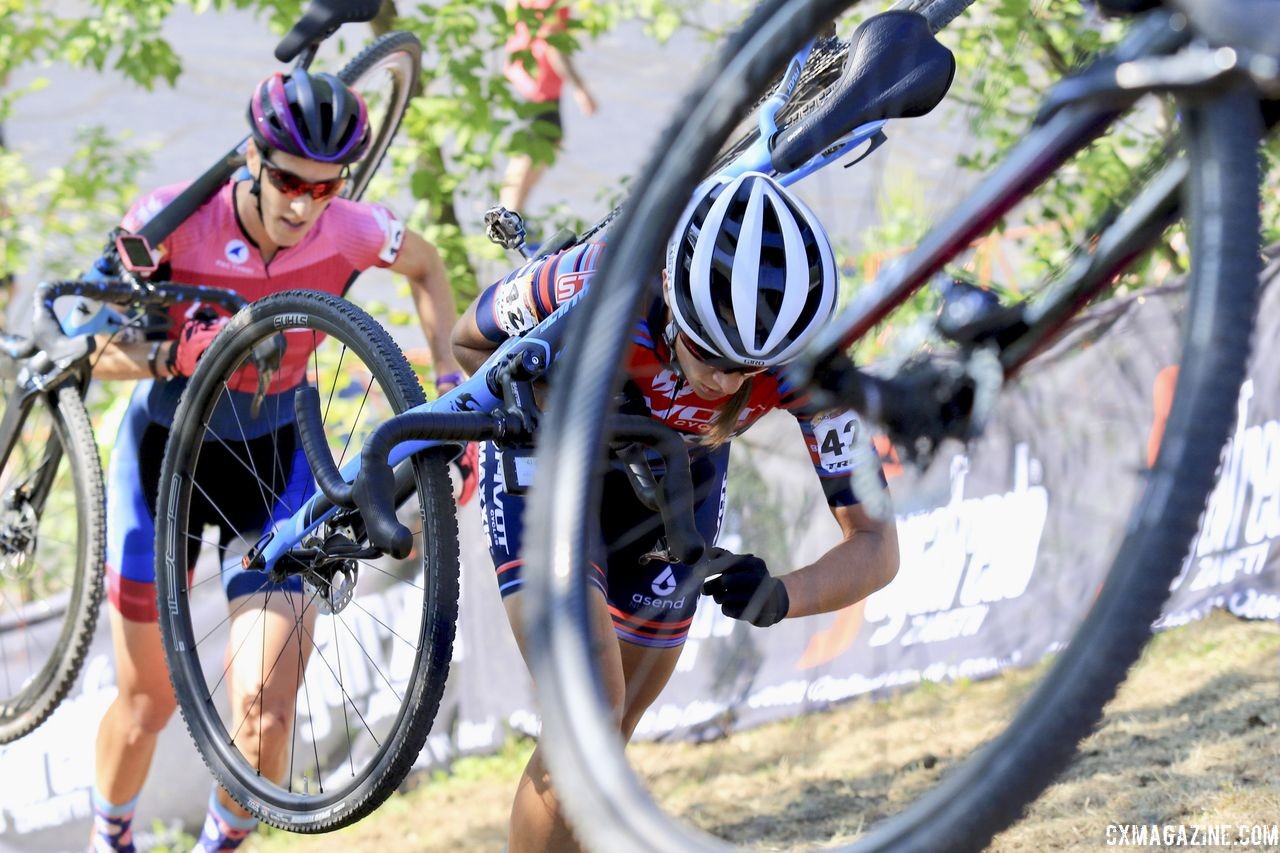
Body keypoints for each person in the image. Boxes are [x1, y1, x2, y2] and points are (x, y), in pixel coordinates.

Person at [452, 171, 901, 852]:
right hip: (552, 457)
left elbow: (876, 544)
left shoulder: (807, 360)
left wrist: (782, 594)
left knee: (610, 732)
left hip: (672, 473)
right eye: (706, 352)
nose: (723, 380)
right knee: (591, 711)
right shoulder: (599, 280)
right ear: (671, 297)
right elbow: (467, 342)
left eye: (745, 369)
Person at [87, 70, 465, 853]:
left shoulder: (350, 229)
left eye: (324, 188)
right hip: (165, 461)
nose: (302, 204)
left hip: (277, 459)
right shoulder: (172, 221)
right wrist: (176, 352)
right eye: (288, 180)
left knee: (265, 710)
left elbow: (428, 268)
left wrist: (451, 390)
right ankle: (109, 836)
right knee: (146, 705)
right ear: (252, 158)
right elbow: (97, 348)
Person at [499, 0, 598, 215]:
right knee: (530, 152)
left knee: (547, 142)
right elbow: (553, 44)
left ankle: (516, 214)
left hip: (524, 75)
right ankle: (509, 216)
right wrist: (580, 88)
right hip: (536, 82)